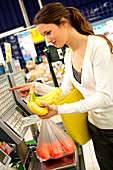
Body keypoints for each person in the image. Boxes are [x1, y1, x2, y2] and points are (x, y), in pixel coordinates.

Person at [9, 2, 113, 170]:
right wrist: (36, 86)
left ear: (64, 23)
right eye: (44, 35)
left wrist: (58, 110)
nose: (47, 40)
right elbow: (65, 91)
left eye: (48, 32)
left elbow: (105, 97)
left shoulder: (96, 46)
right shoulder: (69, 55)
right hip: (96, 127)